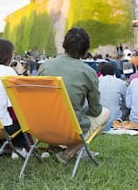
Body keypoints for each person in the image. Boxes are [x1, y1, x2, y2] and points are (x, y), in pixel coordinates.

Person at [37, 27, 110, 163]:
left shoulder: (45, 66)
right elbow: (95, 110)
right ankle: (70, 152)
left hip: (42, 127)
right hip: (69, 130)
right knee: (105, 113)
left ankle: (56, 147)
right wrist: (82, 111)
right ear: (85, 49)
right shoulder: (88, 72)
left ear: (65, 44)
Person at [98, 63, 128, 131]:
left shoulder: (95, 82)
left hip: (97, 118)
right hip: (115, 118)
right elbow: (127, 102)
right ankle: (119, 120)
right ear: (114, 72)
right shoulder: (121, 83)